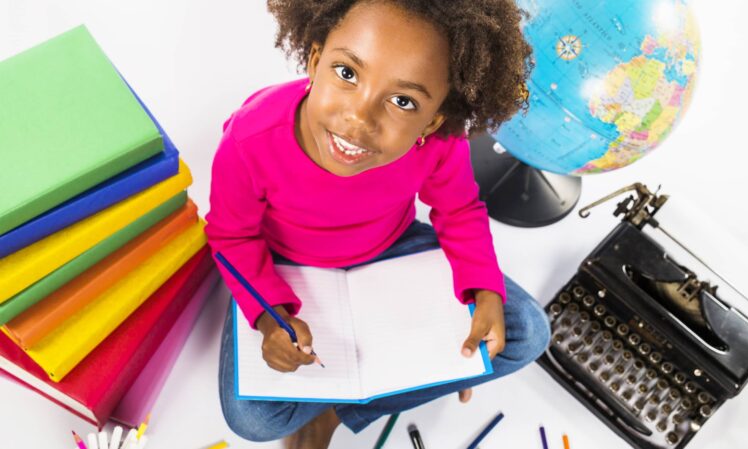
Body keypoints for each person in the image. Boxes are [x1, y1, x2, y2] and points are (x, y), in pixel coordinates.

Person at [204, 1, 550, 447]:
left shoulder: (438, 144)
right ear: (314, 61)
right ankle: (410, 375)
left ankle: (338, 409)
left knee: (526, 332)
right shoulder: (249, 139)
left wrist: (482, 289)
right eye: (347, 73)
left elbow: (458, 210)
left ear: (434, 119)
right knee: (253, 421)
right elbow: (232, 237)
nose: (359, 119)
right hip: (285, 262)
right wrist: (272, 318)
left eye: (403, 102)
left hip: (391, 246)